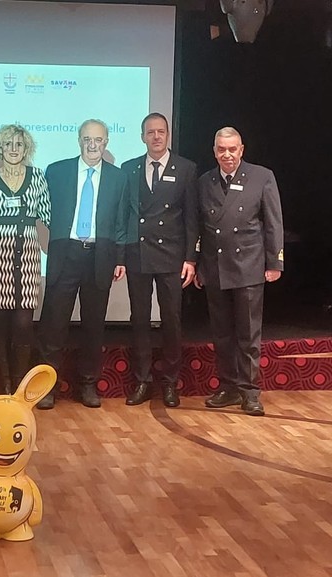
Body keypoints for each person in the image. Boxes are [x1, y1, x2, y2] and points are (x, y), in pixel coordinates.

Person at [38, 119, 131, 409]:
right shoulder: (56, 171)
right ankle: (47, 386)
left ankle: (88, 384)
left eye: (98, 140)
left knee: (93, 325)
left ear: (106, 143)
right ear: (79, 140)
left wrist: (120, 258)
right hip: (65, 253)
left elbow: (121, 221)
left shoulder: (119, 178)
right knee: (54, 323)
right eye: (87, 139)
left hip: (99, 256)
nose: (93, 145)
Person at [194, 126, 284, 416]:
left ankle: (249, 391)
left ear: (241, 150)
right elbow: (199, 227)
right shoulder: (205, 181)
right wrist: (198, 264)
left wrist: (275, 262)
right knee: (221, 335)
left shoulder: (262, 176)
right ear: (214, 152)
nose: (227, 155)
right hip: (215, 268)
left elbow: (273, 223)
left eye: (232, 149)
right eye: (222, 149)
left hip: (248, 267)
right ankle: (228, 387)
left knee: (248, 335)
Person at [120, 113, 199, 408]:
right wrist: (120, 256)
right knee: (139, 320)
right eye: (150, 132)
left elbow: (192, 218)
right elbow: (123, 217)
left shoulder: (186, 168)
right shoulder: (129, 168)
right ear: (142, 137)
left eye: (161, 132)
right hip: (137, 254)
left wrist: (191, 258)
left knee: (171, 321)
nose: (156, 137)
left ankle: (169, 382)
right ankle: (142, 381)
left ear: (168, 135)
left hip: (171, 257)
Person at [0, 125, 51, 395]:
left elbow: (50, 217)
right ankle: (4, 385)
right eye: (8, 144)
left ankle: (20, 386)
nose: (13, 149)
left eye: (19, 144)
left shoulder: (38, 177)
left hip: (27, 257)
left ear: (26, 149)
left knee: (24, 324)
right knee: (0, 326)